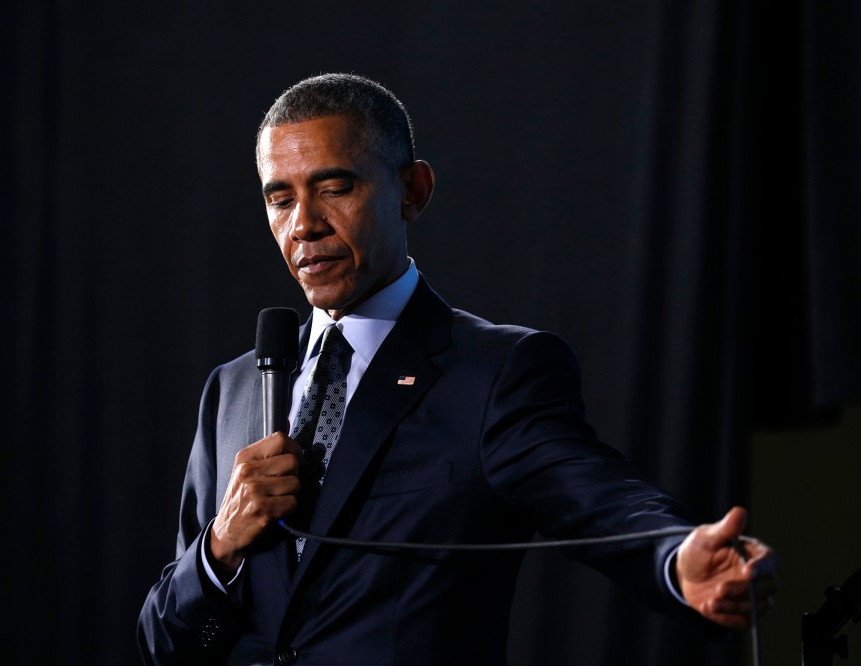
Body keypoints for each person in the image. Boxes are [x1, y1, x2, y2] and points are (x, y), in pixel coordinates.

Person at [137, 73, 777, 665]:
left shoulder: (496, 371)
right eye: (280, 199)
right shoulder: (235, 387)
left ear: (412, 190)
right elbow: (163, 643)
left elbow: (598, 500)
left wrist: (673, 557)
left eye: (335, 188)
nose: (303, 224)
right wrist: (220, 546)